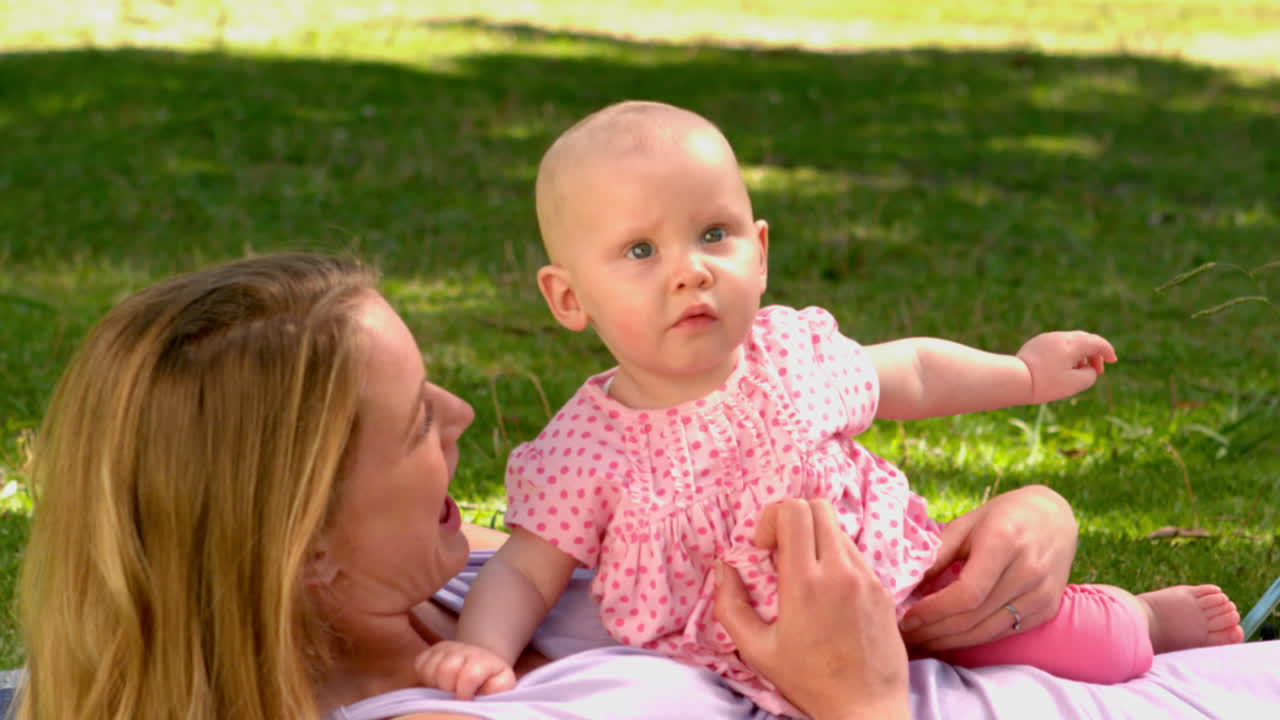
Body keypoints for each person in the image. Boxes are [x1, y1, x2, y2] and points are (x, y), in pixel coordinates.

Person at [11, 253, 1279, 720]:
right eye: (412, 428)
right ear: (302, 553)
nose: (462, 416)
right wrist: (858, 702)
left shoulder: (456, 594)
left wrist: (1027, 519)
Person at [417, 101, 1244, 717]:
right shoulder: (585, 449)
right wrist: (479, 648)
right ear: (569, 297)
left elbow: (912, 371)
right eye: (641, 250)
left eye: (714, 235)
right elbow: (525, 567)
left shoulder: (789, 358)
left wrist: (1022, 375)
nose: (690, 271)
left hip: (905, 592)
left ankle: (1142, 616)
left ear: (762, 251)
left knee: (1086, 645)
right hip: (735, 663)